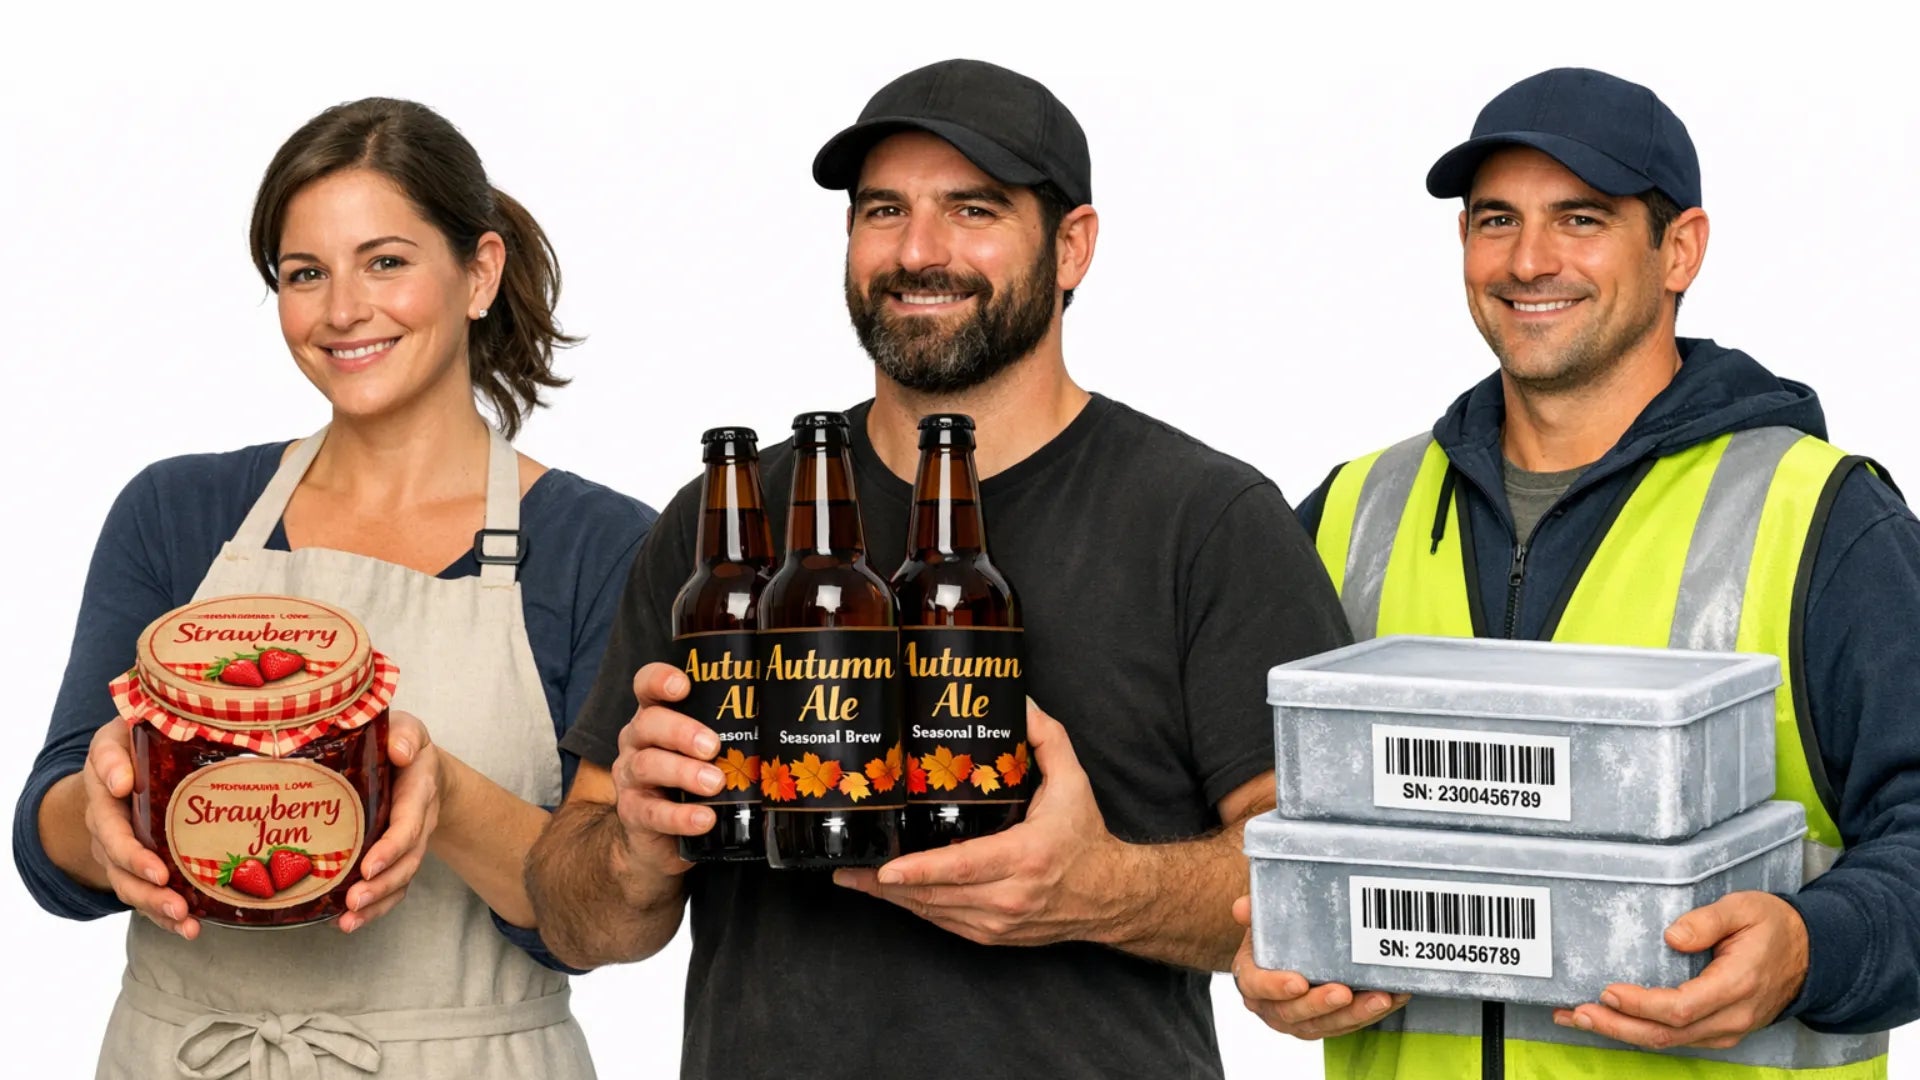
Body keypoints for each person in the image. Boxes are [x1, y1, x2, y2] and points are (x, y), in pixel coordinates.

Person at [524, 58, 1350, 1079]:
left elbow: (1326, 883)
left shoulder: (1205, 520)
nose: (918, 251)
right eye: (883, 211)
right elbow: (572, 916)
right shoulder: (729, 528)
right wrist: (634, 851)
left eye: (973, 208)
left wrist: (1099, 887)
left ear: (1073, 248)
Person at [1231, 67, 1920, 1078]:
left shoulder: (1818, 516)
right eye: (1495, 219)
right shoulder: (1351, 512)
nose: (1529, 260)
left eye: (1582, 219)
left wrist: (1812, 948)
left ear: (1678, 248)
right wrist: (1257, 943)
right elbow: (1233, 822)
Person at [13, 97, 654, 1078]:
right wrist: (110, 809)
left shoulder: (599, 548)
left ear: (478, 272)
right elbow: (47, 831)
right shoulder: (178, 512)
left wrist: (429, 788)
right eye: (304, 274)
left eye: (385, 261)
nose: (341, 310)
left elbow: (609, 918)